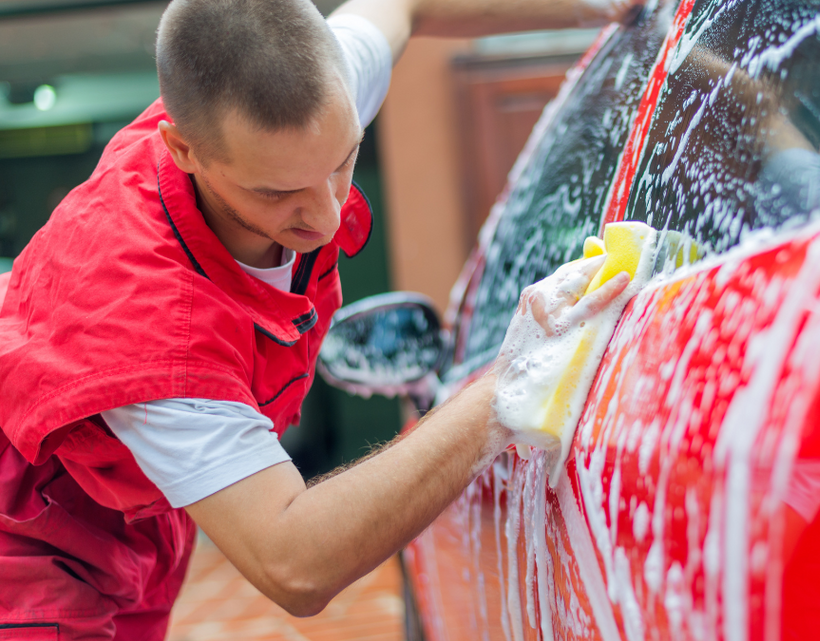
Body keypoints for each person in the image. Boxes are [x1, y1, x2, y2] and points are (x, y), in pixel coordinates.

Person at [0, 0, 635, 638]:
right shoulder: (149, 331)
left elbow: (406, 5)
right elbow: (294, 562)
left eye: (343, 163)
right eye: (277, 194)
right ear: (182, 149)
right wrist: (507, 389)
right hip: (23, 544)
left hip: (130, 513)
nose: (328, 217)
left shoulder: (302, 103)